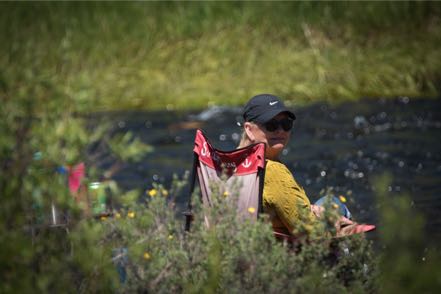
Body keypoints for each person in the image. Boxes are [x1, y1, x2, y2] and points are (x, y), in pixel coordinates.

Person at [238, 94, 370, 238]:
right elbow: (308, 230)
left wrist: (310, 210)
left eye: (286, 124)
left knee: (326, 203)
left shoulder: (237, 163)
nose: (281, 130)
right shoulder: (273, 171)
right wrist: (335, 221)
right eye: (271, 124)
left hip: (260, 237)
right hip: (286, 249)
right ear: (249, 129)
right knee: (335, 204)